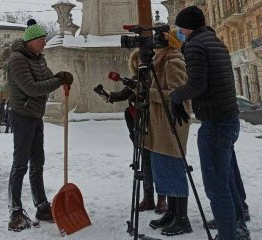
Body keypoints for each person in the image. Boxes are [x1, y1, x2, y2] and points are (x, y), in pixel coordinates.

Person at [172, 6, 250, 240]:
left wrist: (175, 96)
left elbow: (197, 85)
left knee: (216, 186)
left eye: (179, 29)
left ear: (187, 27)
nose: (179, 33)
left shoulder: (196, 45)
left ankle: (228, 235)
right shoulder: (215, 41)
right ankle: (237, 226)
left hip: (215, 123)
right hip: (229, 119)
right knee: (226, 179)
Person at [6, 19, 73, 232]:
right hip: (22, 115)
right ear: (31, 41)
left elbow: (47, 79)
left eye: (45, 39)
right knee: (20, 164)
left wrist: (60, 77)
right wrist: (57, 81)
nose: (45, 43)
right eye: (42, 40)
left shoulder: (39, 58)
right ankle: (15, 212)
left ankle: (41, 206)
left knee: (38, 162)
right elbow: (32, 88)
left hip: (35, 115)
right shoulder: (17, 60)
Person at [94, 48, 167, 214]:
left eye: (141, 59)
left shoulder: (156, 77)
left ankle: (162, 199)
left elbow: (155, 94)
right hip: (137, 122)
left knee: (157, 161)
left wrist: (141, 88)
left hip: (154, 122)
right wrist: (107, 95)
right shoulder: (135, 78)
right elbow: (123, 94)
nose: (139, 62)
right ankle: (148, 198)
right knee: (145, 161)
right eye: (136, 60)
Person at [144, 28, 192, 236]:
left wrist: (150, 93)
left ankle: (182, 218)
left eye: (158, 39)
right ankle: (172, 213)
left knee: (173, 170)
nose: (155, 43)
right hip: (160, 124)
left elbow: (178, 94)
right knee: (164, 171)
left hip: (171, 125)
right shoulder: (160, 60)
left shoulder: (173, 60)